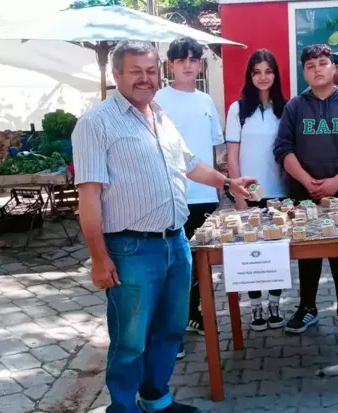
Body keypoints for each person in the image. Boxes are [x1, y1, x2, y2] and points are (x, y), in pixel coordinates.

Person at [73, 40, 255, 413]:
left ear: (160, 72)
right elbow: (88, 197)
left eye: (151, 70)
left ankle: (155, 398)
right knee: (131, 340)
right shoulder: (96, 123)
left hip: (176, 241)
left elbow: (189, 163)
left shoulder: (160, 114)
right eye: (136, 70)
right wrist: (97, 257)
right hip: (131, 249)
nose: (145, 78)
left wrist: (227, 183)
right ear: (117, 74)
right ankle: (122, 408)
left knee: (170, 330)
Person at [273, 44, 338, 334]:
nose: (317, 69)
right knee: (308, 252)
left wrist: (336, 182)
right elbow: (282, 148)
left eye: (322, 63)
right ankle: (307, 307)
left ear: (334, 67)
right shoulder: (295, 106)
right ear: (304, 72)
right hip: (305, 194)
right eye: (310, 65)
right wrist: (307, 181)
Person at [154, 36, 224, 358]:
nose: (187, 64)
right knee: (174, 267)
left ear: (200, 64)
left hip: (205, 196)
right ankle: (173, 330)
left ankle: (194, 313)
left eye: (193, 59)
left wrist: (218, 188)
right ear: (171, 65)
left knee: (201, 264)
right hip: (172, 198)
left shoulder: (206, 101)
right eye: (181, 59)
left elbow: (211, 150)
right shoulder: (158, 100)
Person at [225, 49, 288, 331]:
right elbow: (232, 156)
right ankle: (256, 307)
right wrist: (238, 195)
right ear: (250, 76)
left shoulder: (286, 108)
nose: (263, 77)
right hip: (249, 195)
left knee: (276, 252)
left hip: (279, 193)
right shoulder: (237, 110)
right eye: (257, 72)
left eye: (268, 71)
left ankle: (275, 303)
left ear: (275, 74)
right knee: (250, 253)